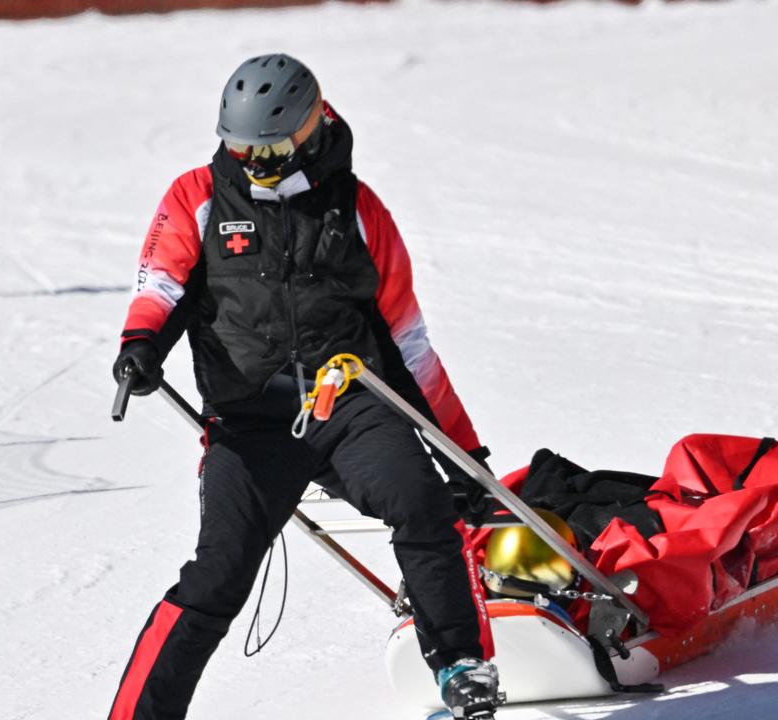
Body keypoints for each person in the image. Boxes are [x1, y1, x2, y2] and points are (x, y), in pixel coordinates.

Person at [107, 54, 501, 719]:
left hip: (350, 408)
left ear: (312, 124)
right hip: (251, 421)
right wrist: (140, 345)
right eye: (240, 145)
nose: (254, 161)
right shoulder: (198, 195)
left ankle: (461, 663)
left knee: (423, 504)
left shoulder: (358, 209)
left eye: (270, 146)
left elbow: (407, 344)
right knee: (217, 577)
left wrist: (462, 454)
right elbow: (162, 287)